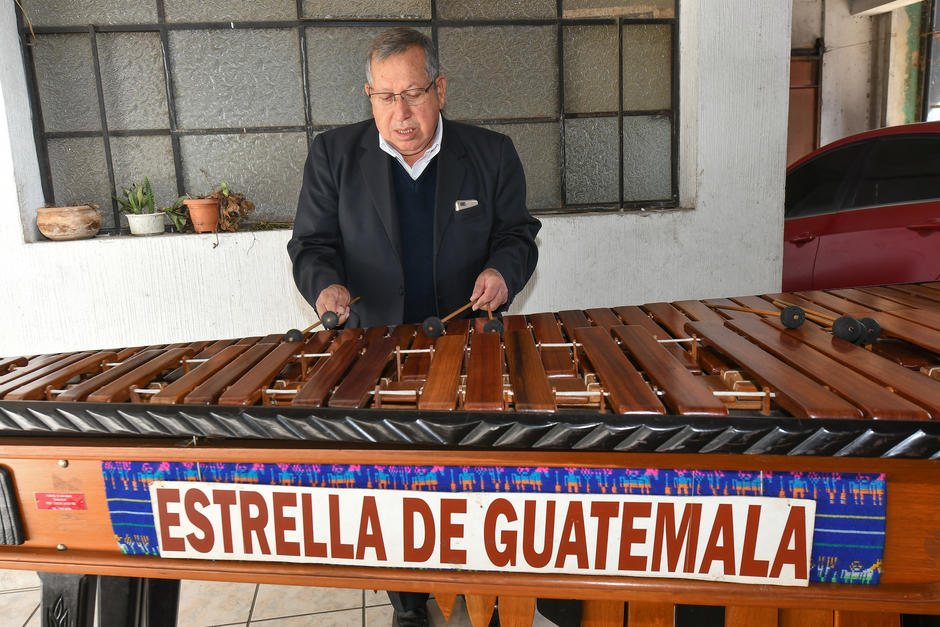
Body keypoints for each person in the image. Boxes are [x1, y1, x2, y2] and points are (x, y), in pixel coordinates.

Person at [287, 27, 540, 627]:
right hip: (375, 351)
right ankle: (408, 602)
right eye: (385, 96)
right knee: (392, 486)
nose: (401, 113)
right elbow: (311, 243)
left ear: (441, 90)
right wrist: (325, 286)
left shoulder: (491, 152)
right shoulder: (334, 155)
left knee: (474, 480)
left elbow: (517, 235)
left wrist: (503, 274)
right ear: (369, 97)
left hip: (469, 346)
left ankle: (486, 588)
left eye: (415, 93)